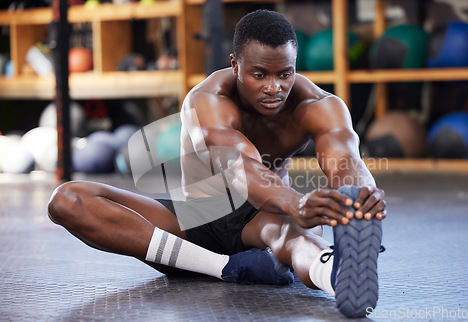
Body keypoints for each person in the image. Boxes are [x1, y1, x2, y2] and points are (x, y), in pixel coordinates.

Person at [47, 10, 386, 318]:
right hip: (193, 221)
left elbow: (345, 159)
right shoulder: (206, 101)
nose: (274, 88)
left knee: (291, 233)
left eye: (285, 73)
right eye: (259, 74)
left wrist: (358, 197)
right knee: (68, 200)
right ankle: (223, 267)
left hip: (261, 216)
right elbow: (240, 165)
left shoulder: (319, 105)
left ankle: (339, 276)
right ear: (235, 64)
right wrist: (296, 202)